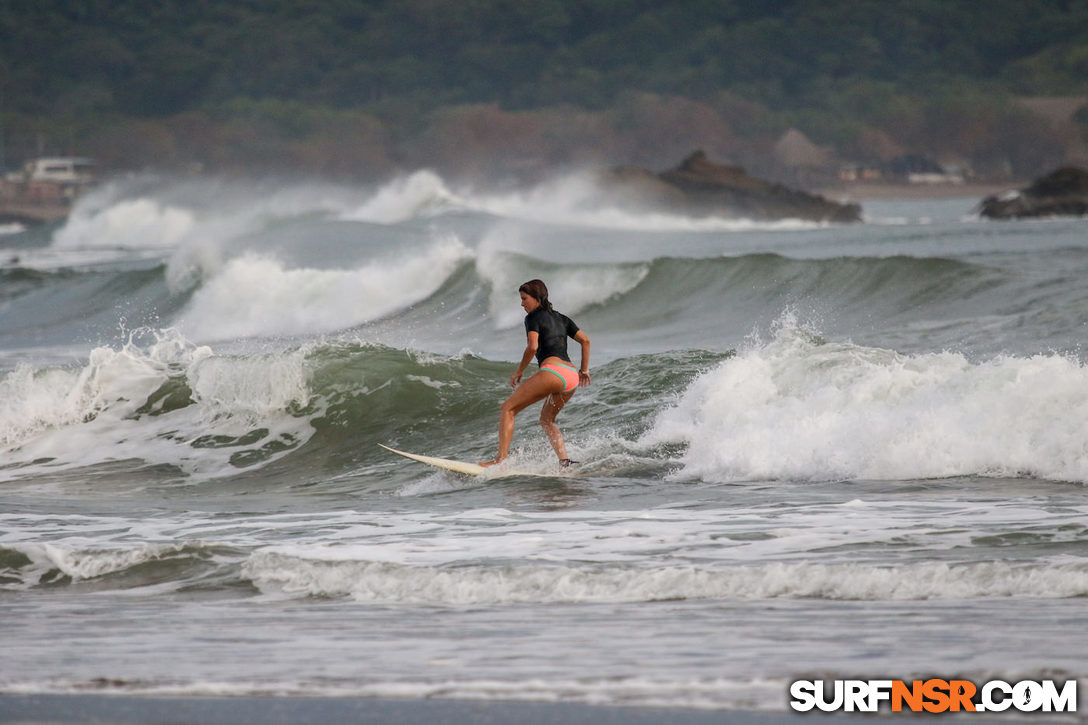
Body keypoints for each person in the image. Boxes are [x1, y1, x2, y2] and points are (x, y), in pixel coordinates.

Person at [479, 279, 591, 468]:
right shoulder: (562, 318)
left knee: (508, 408)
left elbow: (533, 347)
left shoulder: (532, 318)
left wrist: (519, 371)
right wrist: (584, 370)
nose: (522, 304)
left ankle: (500, 461)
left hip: (553, 372)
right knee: (547, 420)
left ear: (537, 298)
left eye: (524, 299)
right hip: (571, 376)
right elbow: (586, 341)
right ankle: (565, 461)